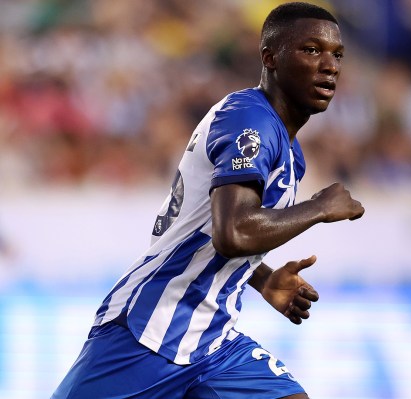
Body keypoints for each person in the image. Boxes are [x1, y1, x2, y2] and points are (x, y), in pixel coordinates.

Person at [52, 3, 364, 398]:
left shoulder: (286, 148)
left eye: (336, 55)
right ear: (270, 57)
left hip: (214, 341)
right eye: (311, 50)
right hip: (149, 332)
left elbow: (201, 227)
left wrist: (262, 277)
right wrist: (319, 207)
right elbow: (232, 232)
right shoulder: (250, 120)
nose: (329, 65)